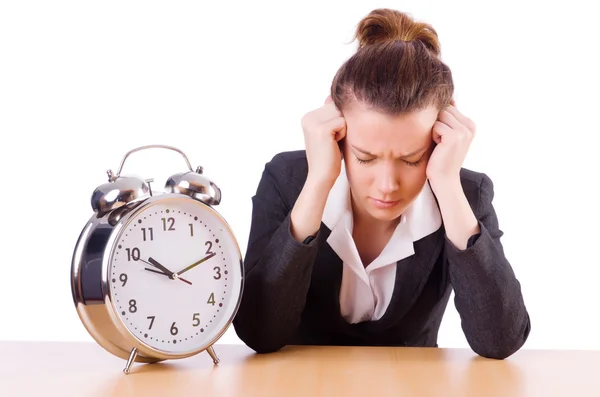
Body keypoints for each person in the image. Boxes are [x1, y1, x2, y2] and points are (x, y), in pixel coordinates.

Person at [232, 8, 530, 360]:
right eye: (365, 157)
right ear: (336, 127)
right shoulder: (289, 178)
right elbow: (259, 332)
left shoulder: (466, 196)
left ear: (441, 135)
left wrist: (447, 185)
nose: (387, 185)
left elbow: (500, 341)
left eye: (411, 159)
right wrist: (317, 184)